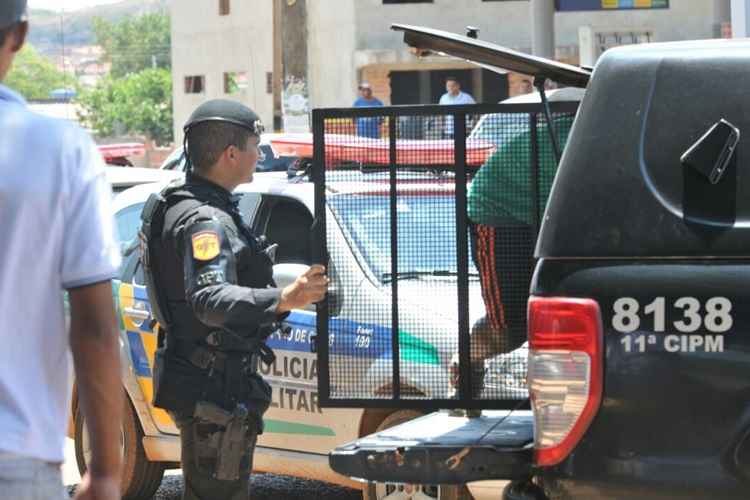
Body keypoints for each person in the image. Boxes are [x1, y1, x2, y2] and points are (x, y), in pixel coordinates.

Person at [140, 99, 328, 500]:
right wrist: (284, 298)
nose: (258, 156)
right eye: (254, 147)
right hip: (213, 390)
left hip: (204, 379)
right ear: (230, 154)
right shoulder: (204, 219)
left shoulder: (184, 203)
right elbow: (208, 298)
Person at [0, 2, 123, 499]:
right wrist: (108, 473)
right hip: (17, 457)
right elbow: (94, 327)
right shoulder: (58, 149)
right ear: (20, 35)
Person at [467, 110, 575, 394]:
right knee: (508, 328)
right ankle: (466, 365)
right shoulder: (580, 138)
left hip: (543, 216)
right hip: (500, 213)